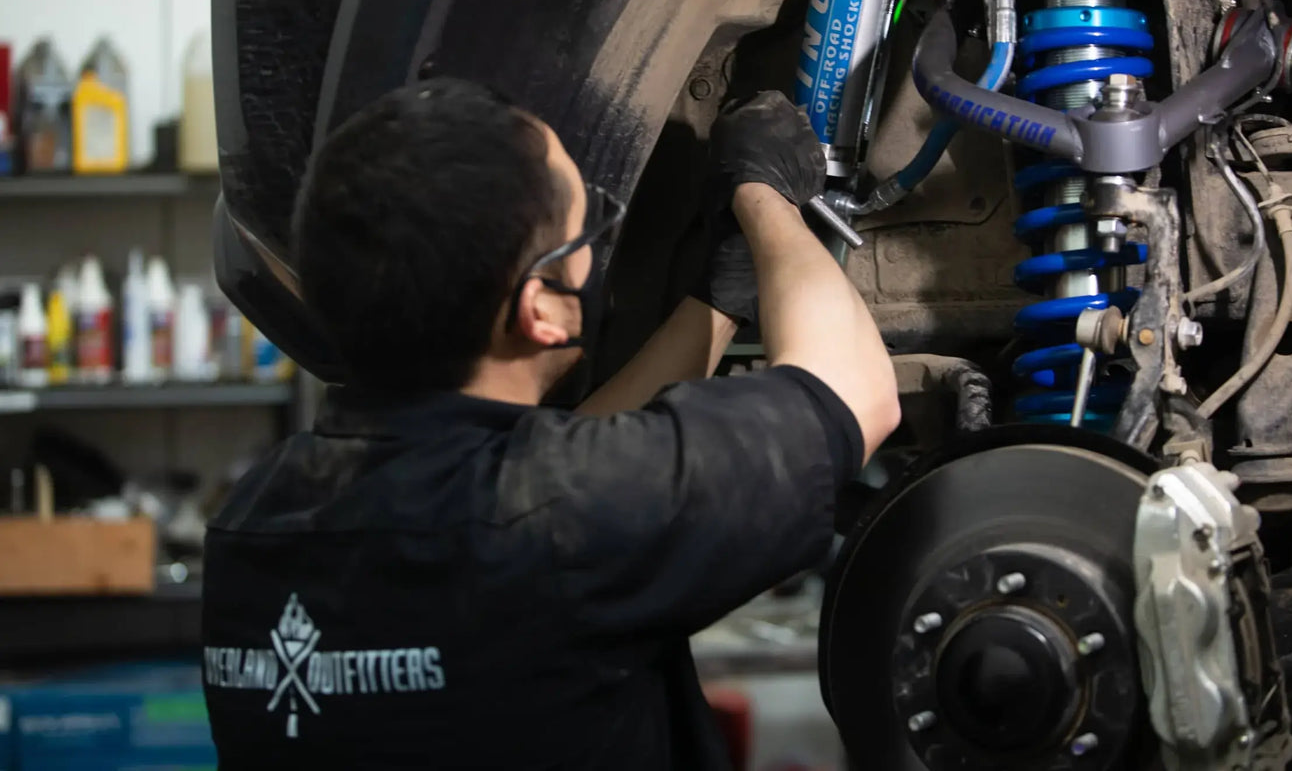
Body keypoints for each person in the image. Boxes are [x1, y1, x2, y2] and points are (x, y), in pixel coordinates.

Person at [200, 80, 900, 770]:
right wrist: (765, 192)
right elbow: (856, 394)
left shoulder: (257, 515)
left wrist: (715, 303)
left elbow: (540, 483)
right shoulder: (564, 518)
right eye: (586, 230)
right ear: (543, 307)